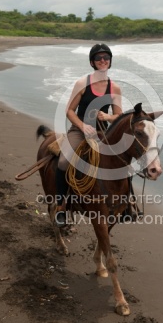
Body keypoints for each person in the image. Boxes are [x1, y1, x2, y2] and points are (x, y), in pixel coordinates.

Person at [55, 43, 122, 226]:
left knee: (122, 162)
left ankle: (126, 205)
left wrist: (108, 116)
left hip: (102, 133)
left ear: (110, 61)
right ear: (92, 62)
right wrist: (83, 126)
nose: (103, 61)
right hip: (79, 130)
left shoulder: (114, 88)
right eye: (99, 58)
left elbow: (118, 116)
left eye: (106, 58)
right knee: (63, 161)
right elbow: (69, 111)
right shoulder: (82, 83)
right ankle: (61, 206)